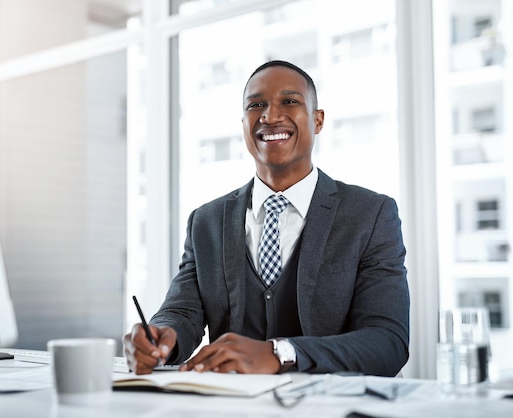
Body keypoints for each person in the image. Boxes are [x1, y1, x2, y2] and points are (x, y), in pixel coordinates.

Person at [123, 60, 409, 376]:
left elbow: (388, 342)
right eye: (256, 105)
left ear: (317, 120)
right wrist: (162, 337)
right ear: (243, 122)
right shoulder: (206, 221)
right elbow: (182, 310)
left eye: (289, 101)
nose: (270, 116)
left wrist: (279, 353)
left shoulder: (370, 214)